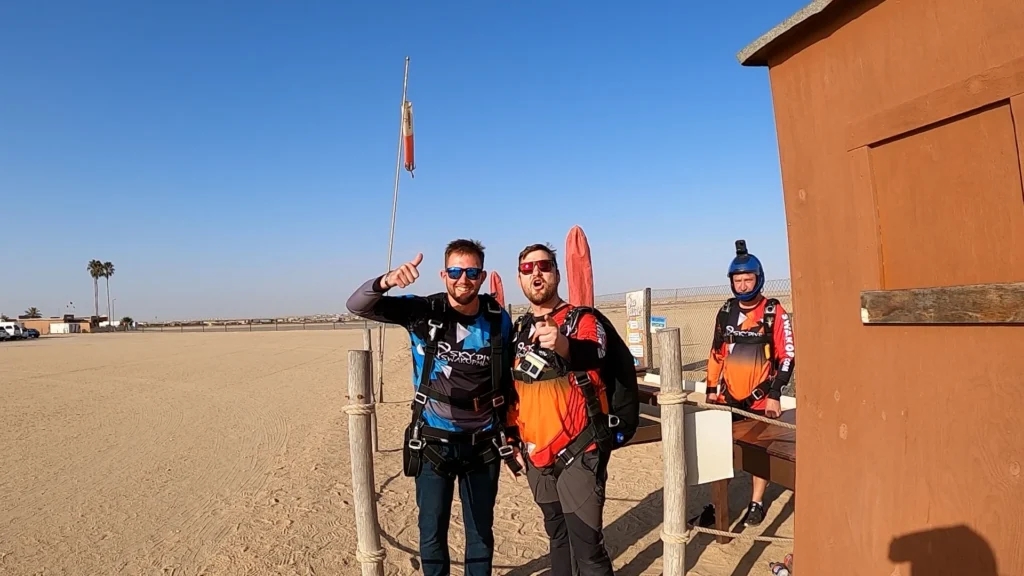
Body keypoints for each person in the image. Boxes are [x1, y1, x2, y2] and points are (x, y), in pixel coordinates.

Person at [346, 239, 519, 576]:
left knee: (481, 533)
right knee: (432, 533)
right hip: (432, 444)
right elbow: (357, 305)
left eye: (471, 272)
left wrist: (512, 435)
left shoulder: (499, 320)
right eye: (455, 271)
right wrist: (387, 281)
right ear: (443, 274)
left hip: (483, 444)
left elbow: (510, 384)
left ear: (482, 277)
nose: (462, 279)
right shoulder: (423, 311)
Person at [505, 243, 617, 576]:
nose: (536, 274)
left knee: (587, 547)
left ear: (556, 272)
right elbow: (512, 392)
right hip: (536, 455)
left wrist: (564, 345)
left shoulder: (582, 319)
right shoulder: (518, 330)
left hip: (579, 450)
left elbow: (597, 354)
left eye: (543, 266)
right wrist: (511, 440)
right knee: (556, 536)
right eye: (528, 269)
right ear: (520, 279)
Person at [706, 239, 795, 526]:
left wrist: (775, 393)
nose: (743, 285)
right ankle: (716, 504)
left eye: (748, 279)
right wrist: (710, 391)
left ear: (759, 279)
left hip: (760, 399)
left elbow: (788, 356)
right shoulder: (726, 311)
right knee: (720, 453)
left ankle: (756, 502)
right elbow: (716, 353)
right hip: (726, 398)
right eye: (738, 280)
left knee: (759, 455)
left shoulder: (773, 312)